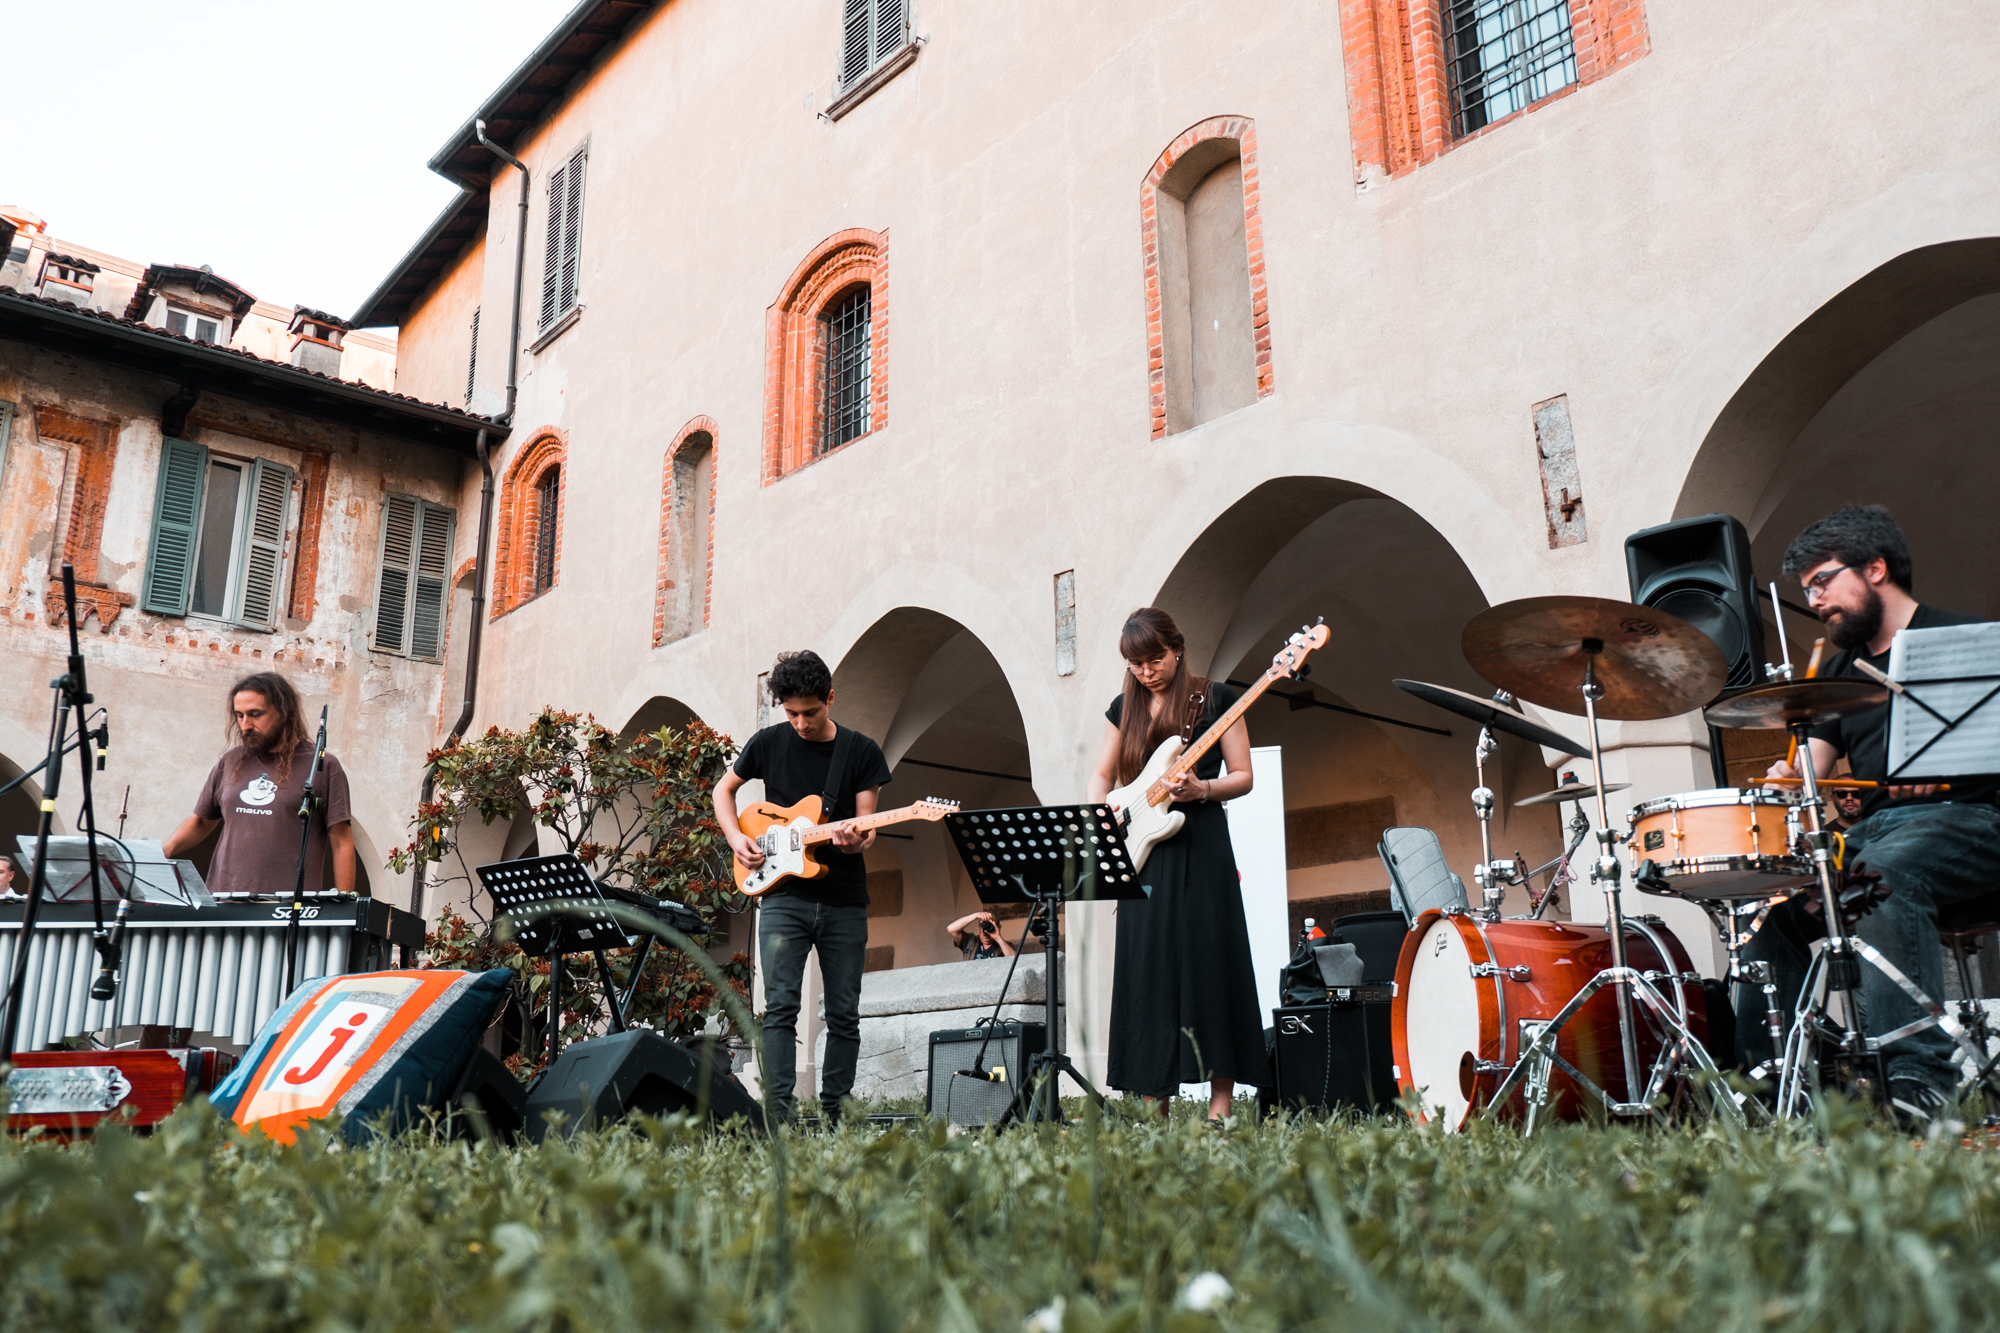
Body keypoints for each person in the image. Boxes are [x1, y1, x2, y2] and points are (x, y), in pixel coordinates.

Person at [1747, 506, 1999, 1123]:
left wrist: (1957, 761)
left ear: (1875, 569)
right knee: (1772, 924)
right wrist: (1791, 775)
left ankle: (1917, 1080)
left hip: (1971, 821)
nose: (1815, 601)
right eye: (1807, 589)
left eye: (1822, 581)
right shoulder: (1837, 674)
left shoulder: (1968, 640)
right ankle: (1778, 1091)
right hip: (1875, 836)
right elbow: (1812, 763)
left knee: (1879, 879)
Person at [1086, 607, 1269, 1123]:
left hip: (1202, 844)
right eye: (1136, 664)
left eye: (1155, 660)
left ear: (1177, 649)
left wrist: (1202, 788)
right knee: (1148, 971)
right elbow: (1100, 775)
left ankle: (1219, 1107)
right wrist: (1106, 811)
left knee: (1211, 963)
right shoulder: (1123, 708)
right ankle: (1154, 1103)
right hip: (1142, 851)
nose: (1146, 672)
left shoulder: (1217, 699)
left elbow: (1244, 775)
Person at [713, 650, 892, 1125]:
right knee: (780, 1009)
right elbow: (723, 790)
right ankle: (778, 1116)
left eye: (810, 712)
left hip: (844, 899)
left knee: (844, 1012)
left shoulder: (861, 751)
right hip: (782, 896)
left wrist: (855, 840)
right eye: (791, 713)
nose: (800, 723)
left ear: (830, 698)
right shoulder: (768, 742)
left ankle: (836, 1114)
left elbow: (867, 828)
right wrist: (736, 838)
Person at [163, 672, 355, 897]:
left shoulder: (321, 766)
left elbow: (341, 841)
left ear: (283, 712)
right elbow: (202, 821)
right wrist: (161, 852)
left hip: (287, 907)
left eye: (255, 714)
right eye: (240, 716)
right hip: (222, 900)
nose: (245, 725)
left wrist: (345, 907)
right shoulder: (230, 761)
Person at [947, 910, 1015, 960]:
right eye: (983, 924)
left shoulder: (1005, 946)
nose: (986, 929)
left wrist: (998, 937)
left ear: (998, 927)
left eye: (990, 925)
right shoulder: (970, 941)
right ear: (979, 926)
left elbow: (1015, 962)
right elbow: (951, 929)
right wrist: (975, 915)